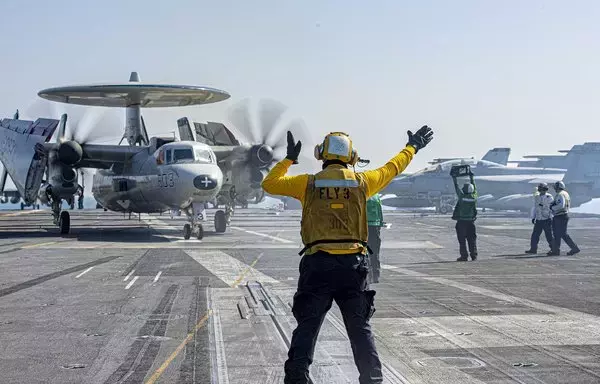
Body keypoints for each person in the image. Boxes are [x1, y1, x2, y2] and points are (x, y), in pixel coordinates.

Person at [262, 126, 434, 384]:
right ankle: (372, 379)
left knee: (307, 328)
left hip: (317, 265)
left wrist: (288, 160)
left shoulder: (307, 183)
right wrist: (413, 147)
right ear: (352, 157)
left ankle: (297, 378)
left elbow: (269, 184)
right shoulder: (362, 182)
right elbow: (393, 167)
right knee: (360, 330)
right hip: (353, 267)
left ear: (321, 154)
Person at [451, 168, 478, 261]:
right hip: (471, 222)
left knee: (462, 240)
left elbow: (456, 187)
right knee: (472, 240)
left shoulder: (462, 197)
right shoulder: (474, 197)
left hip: (461, 222)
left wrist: (454, 178)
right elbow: (474, 187)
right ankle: (474, 255)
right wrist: (471, 177)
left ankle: (464, 256)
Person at [548, 181, 580, 256]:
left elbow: (561, 205)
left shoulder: (560, 194)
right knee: (558, 234)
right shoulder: (566, 194)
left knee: (561, 234)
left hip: (560, 216)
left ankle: (574, 248)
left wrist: (552, 207)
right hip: (563, 215)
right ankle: (556, 250)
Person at [525, 183, 554, 254]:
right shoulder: (537, 197)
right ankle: (533, 249)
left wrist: (544, 207)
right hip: (539, 219)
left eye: (543, 189)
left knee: (549, 236)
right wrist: (533, 217)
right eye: (541, 189)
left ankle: (554, 249)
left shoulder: (549, 197)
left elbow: (551, 208)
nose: (542, 191)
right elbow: (535, 208)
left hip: (547, 219)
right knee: (535, 235)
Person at [366, 193, 384, 284]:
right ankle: (376, 275)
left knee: (364, 252)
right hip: (375, 227)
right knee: (375, 252)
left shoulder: (361, 194)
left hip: (364, 227)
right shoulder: (376, 196)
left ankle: (367, 276)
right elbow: (380, 211)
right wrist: (380, 223)